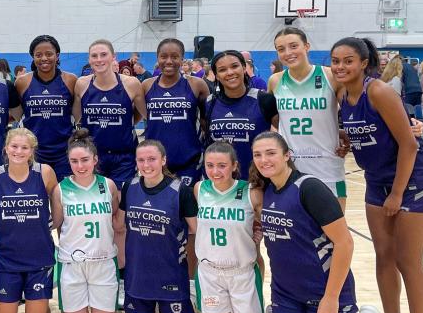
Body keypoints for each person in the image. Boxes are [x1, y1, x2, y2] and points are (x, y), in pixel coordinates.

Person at [332, 38, 423, 313]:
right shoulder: (341, 94)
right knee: (384, 257)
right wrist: (348, 143)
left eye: (348, 61)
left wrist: (396, 193)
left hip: (414, 180)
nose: (340, 66)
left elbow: (408, 144)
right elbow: (368, 130)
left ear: (364, 63)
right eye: (335, 60)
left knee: (408, 259)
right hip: (376, 180)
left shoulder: (377, 91)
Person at [250, 132, 393, 313]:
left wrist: (331, 297)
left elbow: (345, 243)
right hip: (286, 293)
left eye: (271, 153)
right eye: (258, 155)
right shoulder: (266, 191)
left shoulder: (309, 188)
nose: (264, 160)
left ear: (287, 155)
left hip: (324, 291)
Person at [193, 142, 274, 313]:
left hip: (242, 274)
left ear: (234, 166)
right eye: (210, 165)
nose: (215, 171)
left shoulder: (251, 192)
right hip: (210, 275)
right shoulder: (200, 189)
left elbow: (267, 222)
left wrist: (259, 233)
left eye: (222, 165)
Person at [120, 140, 196, 313]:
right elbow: (120, 225)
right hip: (139, 275)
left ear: (163, 160)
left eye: (152, 159)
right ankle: (152, 311)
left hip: (170, 273)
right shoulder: (129, 187)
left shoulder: (181, 191)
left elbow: (197, 230)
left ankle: (182, 308)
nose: (146, 165)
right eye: (141, 160)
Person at [0, 128, 58, 313]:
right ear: (6, 148)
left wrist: (54, 224)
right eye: (14, 146)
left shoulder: (45, 173)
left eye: (24, 147)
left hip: (39, 257)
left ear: (32, 150)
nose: (19, 151)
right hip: (8, 258)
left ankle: (39, 303)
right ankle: (6, 300)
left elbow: (58, 202)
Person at [50, 129, 122, 313]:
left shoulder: (108, 185)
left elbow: (116, 220)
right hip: (73, 263)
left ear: (95, 160)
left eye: (85, 160)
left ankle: (104, 309)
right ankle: (72, 310)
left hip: (104, 261)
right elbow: (56, 223)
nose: (80, 166)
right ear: (69, 162)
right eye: (74, 161)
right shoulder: (61, 189)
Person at [269, 27, 347, 205]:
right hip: (289, 168)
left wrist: (344, 134)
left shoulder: (329, 76)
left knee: (333, 231)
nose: (288, 53)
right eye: (281, 49)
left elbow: (355, 112)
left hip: (327, 166)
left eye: (293, 46)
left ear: (306, 46)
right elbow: (274, 121)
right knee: (294, 230)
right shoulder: (275, 81)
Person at [74, 39, 146, 186]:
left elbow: (144, 114)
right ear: (89, 59)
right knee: (96, 203)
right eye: (94, 56)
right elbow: (76, 118)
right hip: (93, 156)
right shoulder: (82, 84)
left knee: (120, 204)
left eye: (103, 54)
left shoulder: (131, 84)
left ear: (114, 57)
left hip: (123, 156)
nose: (99, 59)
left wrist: (128, 122)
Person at [142, 38, 210, 187]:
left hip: (189, 161)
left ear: (182, 59)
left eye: (174, 56)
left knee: (186, 207)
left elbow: (207, 121)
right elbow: (136, 116)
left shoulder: (196, 84)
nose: (169, 61)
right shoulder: (146, 86)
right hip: (155, 162)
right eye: (164, 56)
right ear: (157, 58)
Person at [204, 50, 278, 180]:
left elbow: (280, 136)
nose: (230, 72)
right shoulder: (209, 103)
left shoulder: (265, 100)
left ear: (244, 68)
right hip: (221, 182)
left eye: (234, 66)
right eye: (222, 70)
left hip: (258, 182)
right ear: (216, 75)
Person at [17, 35, 77, 180]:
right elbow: (18, 114)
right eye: (38, 55)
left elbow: (77, 113)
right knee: (37, 197)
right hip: (35, 151)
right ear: (33, 57)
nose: (44, 58)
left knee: (64, 198)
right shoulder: (22, 82)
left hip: (64, 151)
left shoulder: (70, 80)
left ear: (57, 56)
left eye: (49, 54)